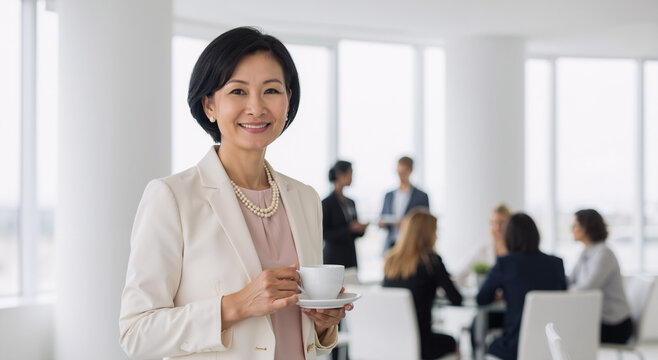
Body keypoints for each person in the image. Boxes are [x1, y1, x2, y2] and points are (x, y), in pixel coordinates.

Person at [119, 27, 348, 360]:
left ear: (288, 101)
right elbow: (136, 333)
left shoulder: (305, 198)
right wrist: (235, 306)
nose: (256, 107)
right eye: (238, 91)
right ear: (209, 104)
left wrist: (325, 323)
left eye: (271, 90)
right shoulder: (172, 197)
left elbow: (299, 329)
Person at [477, 213, 567, 360]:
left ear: (509, 237)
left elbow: (482, 299)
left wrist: (502, 294)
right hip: (551, 346)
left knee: (492, 346)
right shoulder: (557, 264)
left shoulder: (505, 264)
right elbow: (561, 297)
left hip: (514, 347)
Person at [383, 209, 463, 360]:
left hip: (391, 341)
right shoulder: (432, 261)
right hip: (421, 344)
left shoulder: (390, 260)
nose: (436, 236)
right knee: (452, 342)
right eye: (435, 231)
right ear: (427, 235)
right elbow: (456, 299)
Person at [569, 209, 633, 344]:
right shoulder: (586, 251)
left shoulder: (603, 254)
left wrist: (570, 288)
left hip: (615, 325)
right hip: (600, 320)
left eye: (574, 226)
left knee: (570, 331)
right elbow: (571, 279)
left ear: (585, 228)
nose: (572, 230)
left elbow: (585, 289)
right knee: (568, 328)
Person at [457, 204, 511, 353]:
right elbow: (460, 274)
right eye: (493, 223)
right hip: (489, 309)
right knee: (476, 328)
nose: (497, 227)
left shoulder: (515, 250)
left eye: (501, 222)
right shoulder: (484, 249)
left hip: (511, 310)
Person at [322, 161, 368, 269]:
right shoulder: (327, 203)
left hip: (350, 256)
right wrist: (349, 229)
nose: (352, 177)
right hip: (334, 257)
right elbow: (325, 234)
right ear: (339, 175)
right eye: (350, 173)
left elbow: (354, 233)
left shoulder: (351, 202)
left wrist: (360, 229)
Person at [379, 156, 430, 251]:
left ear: (411, 171)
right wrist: (383, 222)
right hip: (392, 244)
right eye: (398, 172)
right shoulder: (388, 196)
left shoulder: (421, 196)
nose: (400, 176)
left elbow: (425, 223)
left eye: (403, 173)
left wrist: (406, 223)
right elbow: (383, 216)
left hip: (413, 245)